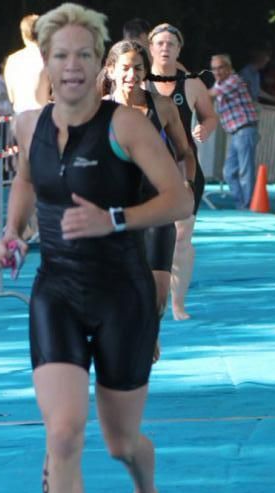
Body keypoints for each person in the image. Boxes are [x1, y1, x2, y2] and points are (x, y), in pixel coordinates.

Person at [0, 3, 191, 493]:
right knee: (63, 433)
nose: (72, 66)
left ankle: (146, 490)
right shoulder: (28, 124)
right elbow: (27, 179)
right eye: (61, 56)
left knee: (119, 442)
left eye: (84, 55)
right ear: (45, 64)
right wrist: (12, 230)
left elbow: (180, 198)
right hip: (56, 291)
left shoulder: (125, 127)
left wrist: (115, 220)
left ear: (99, 65)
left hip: (122, 296)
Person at [101, 39, 196, 334]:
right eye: (125, 68)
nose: (132, 75)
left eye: (138, 68)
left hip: (156, 207)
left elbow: (185, 153)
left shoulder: (163, 107)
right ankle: (128, 339)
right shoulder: (97, 112)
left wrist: (187, 185)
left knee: (158, 294)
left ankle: (147, 333)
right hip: (115, 212)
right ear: (112, 70)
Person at [148, 23, 217, 320]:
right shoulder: (136, 82)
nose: (165, 48)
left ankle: (178, 303)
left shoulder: (190, 84)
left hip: (184, 169)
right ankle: (148, 295)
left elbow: (209, 116)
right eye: (160, 43)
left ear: (179, 49)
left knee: (181, 237)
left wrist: (204, 128)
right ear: (151, 47)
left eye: (171, 44)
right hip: (145, 173)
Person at [208, 54, 260, 211]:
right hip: (237, 133)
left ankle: (248, 205)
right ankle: (242, 204)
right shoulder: (220, 83)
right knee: (229, 172)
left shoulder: (233, 80)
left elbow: (209, 95)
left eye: (220, 67)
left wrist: (188, 92)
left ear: (229, 68)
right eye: (214, 69)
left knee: (245, 171)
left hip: (245, 130)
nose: (217, 72)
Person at [3, 14, 49, 115]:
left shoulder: (12, 60)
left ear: (23, 34)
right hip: (43, 119)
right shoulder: (48, 59)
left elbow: (11, 97)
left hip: (19, 118)